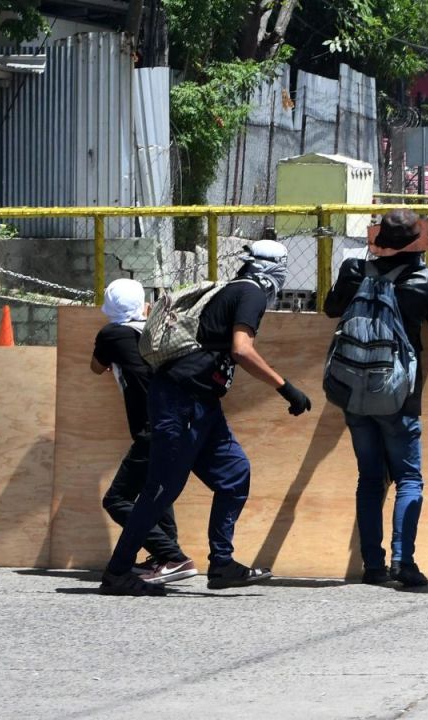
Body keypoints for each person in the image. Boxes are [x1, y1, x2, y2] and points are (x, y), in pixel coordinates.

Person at [99, 240, 312, 596]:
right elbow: (241, 349)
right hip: (181, 400)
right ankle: (117, 572)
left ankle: (222, 564)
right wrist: (285, 387)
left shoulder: (232, 290)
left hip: (203, 402)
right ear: (272, 268)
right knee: (160, 490)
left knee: (234, 474)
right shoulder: (250, 293)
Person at [325, 209, 428, 587]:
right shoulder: (424, 279)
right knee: (408, 479)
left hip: (352, 392)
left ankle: (372, 565)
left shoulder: (353, 271)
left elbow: (332, 308)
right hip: (400, 396)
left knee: (369, 480)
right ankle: (404, 562)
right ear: (417, 243)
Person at [91, 278, 195, 585]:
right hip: (180, 424)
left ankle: (173, 556)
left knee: (117, 499)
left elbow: (96, 367)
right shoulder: (156, 333)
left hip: (153, 430)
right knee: (156, 490)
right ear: (144, 306)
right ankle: (164, 557)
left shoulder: (113, 334)